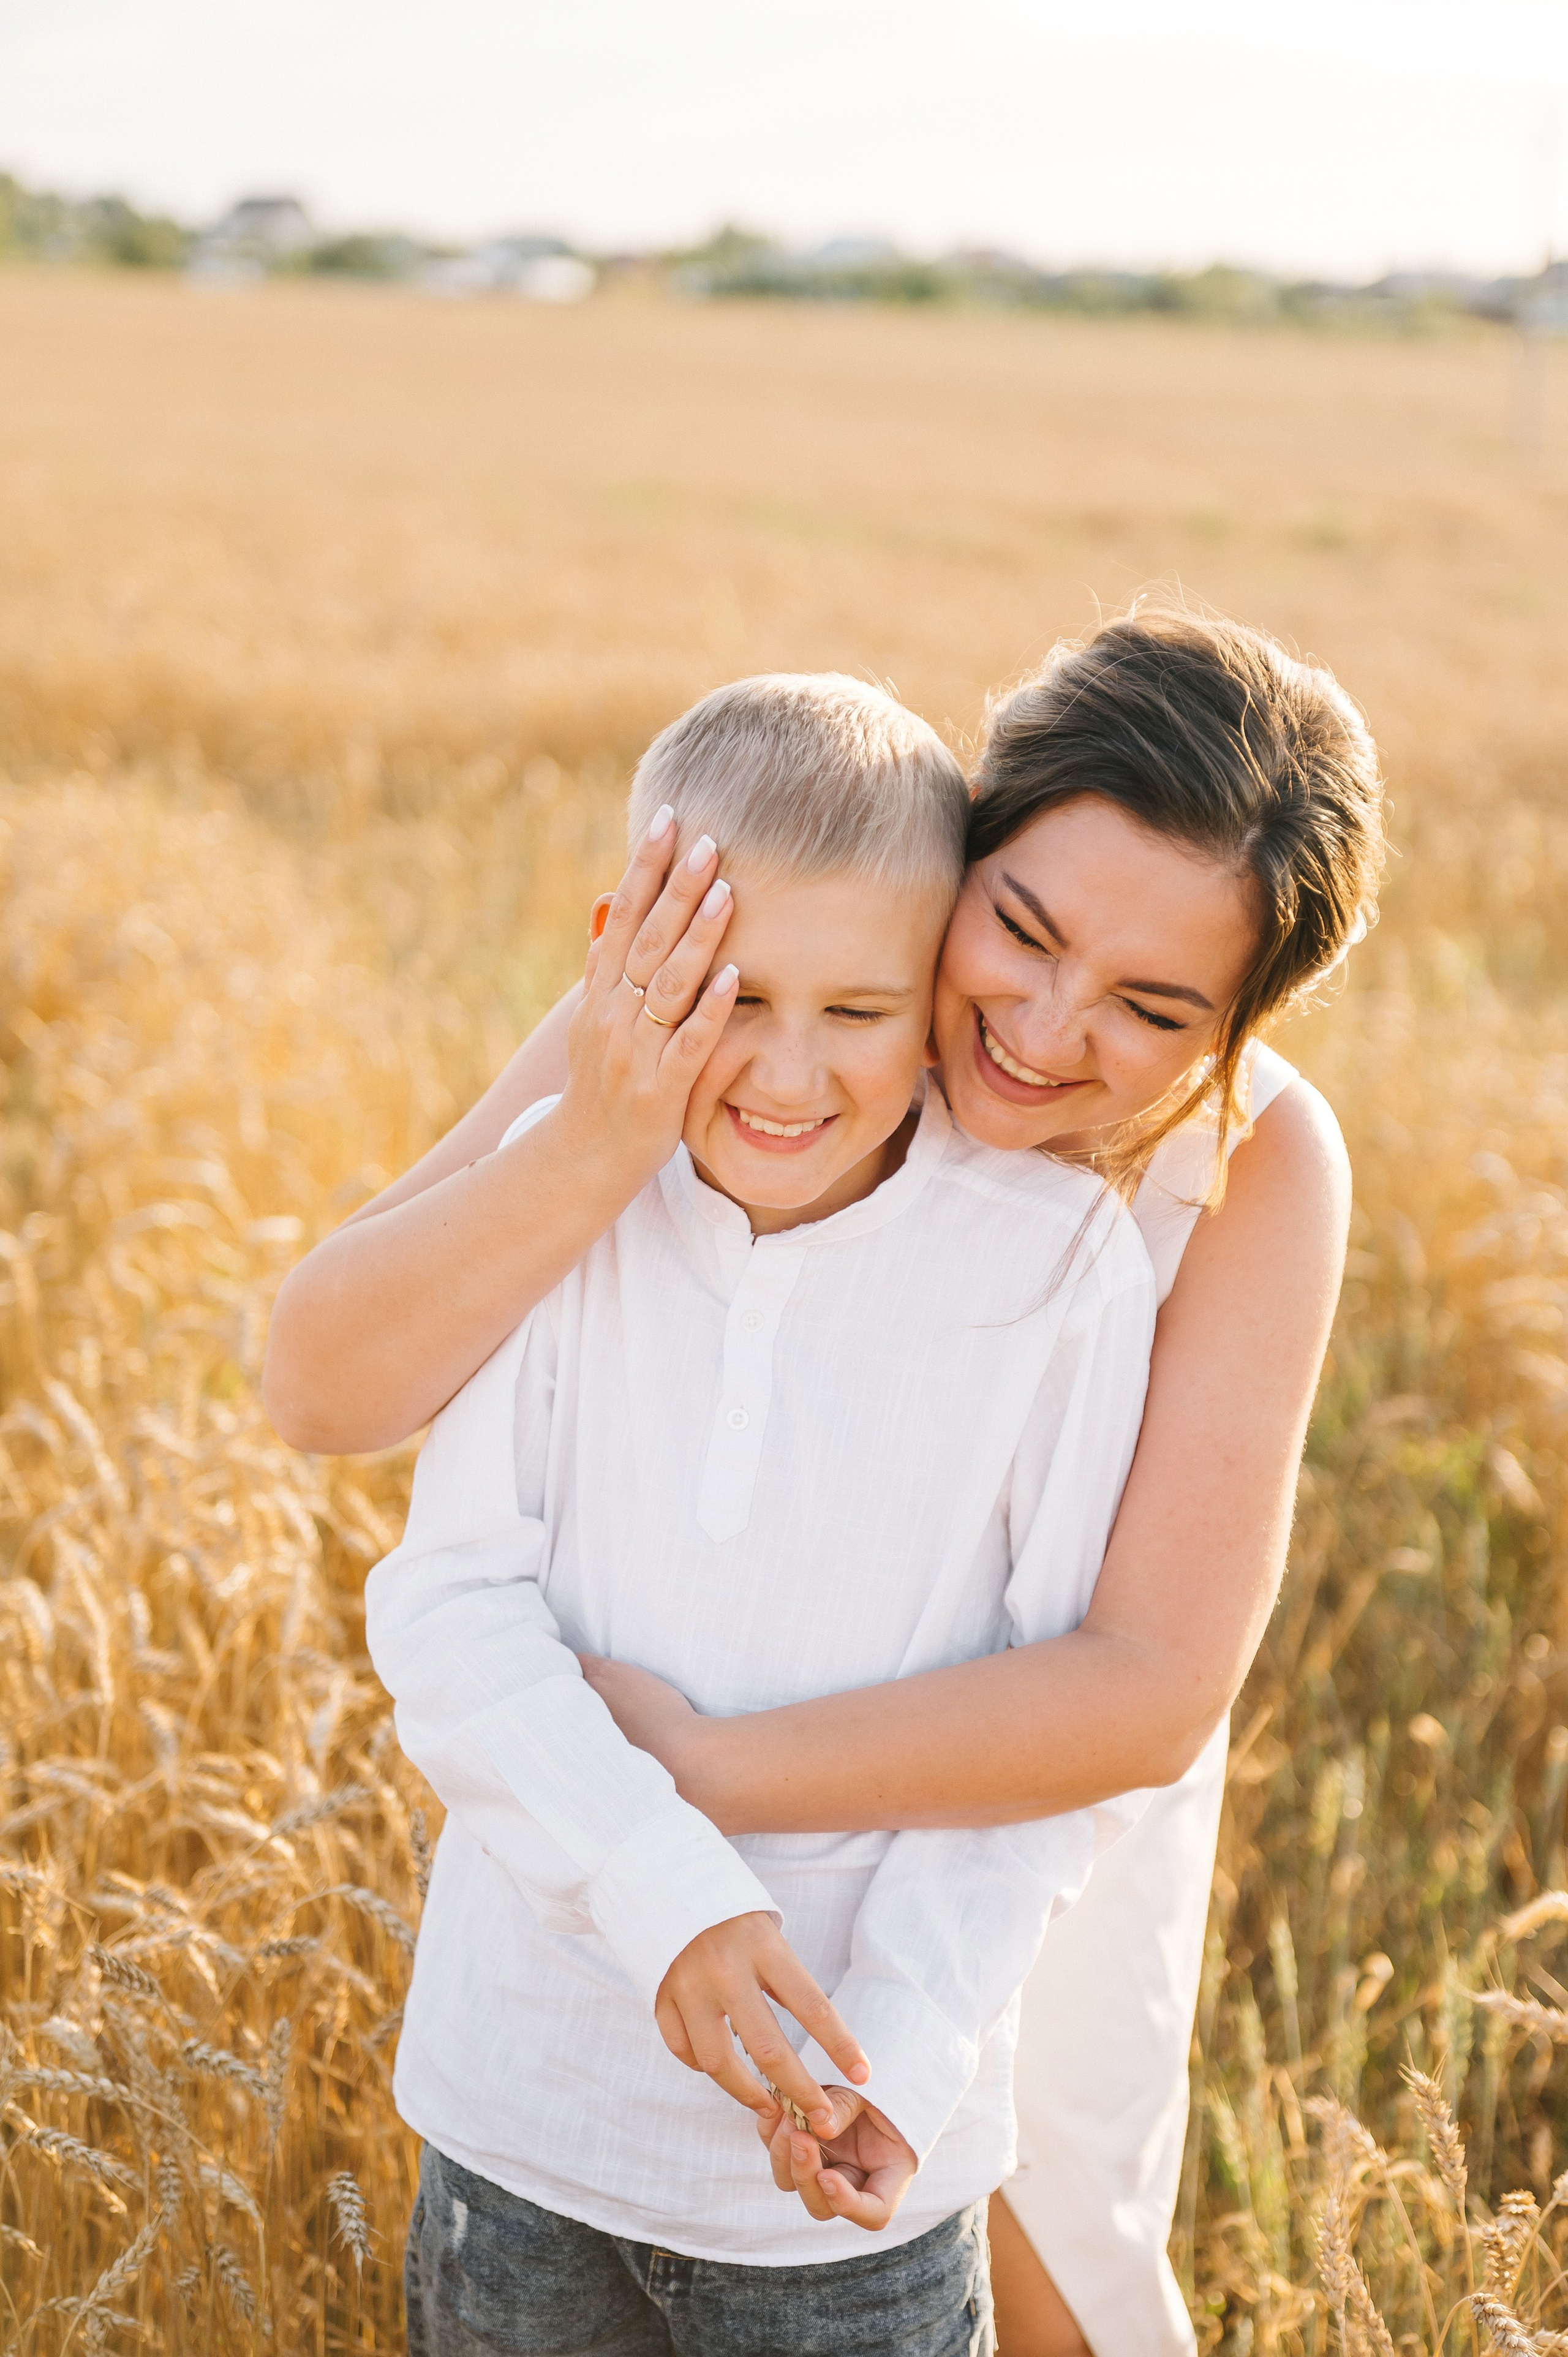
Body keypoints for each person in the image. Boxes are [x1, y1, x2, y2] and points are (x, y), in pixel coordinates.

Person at [266, 605, 1384, 2356]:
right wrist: (599, 1140)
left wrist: (695, 1775)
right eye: (1021, 930)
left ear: (1241, 1023)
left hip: (1027, 1777)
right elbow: (325, 1384)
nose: (1047, 1026)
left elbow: (1146, 1688)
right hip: (626, 1865)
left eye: (1158, 1007)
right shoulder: (764, 1001)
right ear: (962, 847)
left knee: (1058, 2235)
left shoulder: (1252, 1160)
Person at [363, 671, 1160, 2357]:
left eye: (858, 1011)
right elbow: (449, 1606)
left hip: (854, 2173)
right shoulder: (577, 1187)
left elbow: (1045, 1750)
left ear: (939, 994)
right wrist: (671, 1896)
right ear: (630, 955)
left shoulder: (1058, 1271)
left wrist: (906, 2055)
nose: (788, 1074)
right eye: (738, 998)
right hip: (525, 2123)